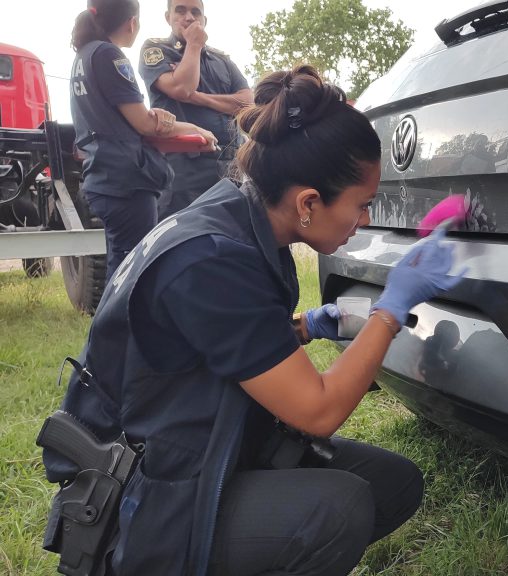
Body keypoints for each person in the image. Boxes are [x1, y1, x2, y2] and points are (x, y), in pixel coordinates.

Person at [42, 64, 462, 576]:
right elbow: (319, 411)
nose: (365, 221)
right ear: (308, 202)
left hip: (204, 447)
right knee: (339, 507)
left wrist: (308, 325)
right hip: (146, 500)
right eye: (362, 205)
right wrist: (392, 310)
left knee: (393, 485)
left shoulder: (239, 218)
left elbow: (214, 343)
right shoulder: (210, 258)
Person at [70, 0, 216, 281]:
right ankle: (124, 325)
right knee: (135, 271)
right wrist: (194, 128)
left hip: (103, 177)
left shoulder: (85, 55)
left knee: (119, 267)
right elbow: (145, 124)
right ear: (131, 23)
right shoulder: (110, 56)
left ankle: (111, 325)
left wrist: (167, 121)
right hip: (126, 183)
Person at [140, 0, 253, 218]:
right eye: (180, 11)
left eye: (195, 12)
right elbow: (183, 88)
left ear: (204, 20)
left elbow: (247, 104)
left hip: (229, 166)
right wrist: (193, 46)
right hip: (183, 169)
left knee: (231, 239)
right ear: (168, 17)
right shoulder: (157, 50)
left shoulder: (221, 59)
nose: (189, 17)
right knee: (186, 241)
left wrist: (198, 97)